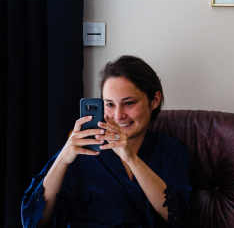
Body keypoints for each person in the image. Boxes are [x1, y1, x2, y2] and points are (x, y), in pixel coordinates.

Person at [21, 56, 191, 228]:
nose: (118, 115)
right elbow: (32, 221)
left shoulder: (172, 151)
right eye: (109, 104)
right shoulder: (82, 150)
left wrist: (131, 158)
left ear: (154, 100)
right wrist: (63, 158)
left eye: (129, 103)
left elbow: (177, 217)